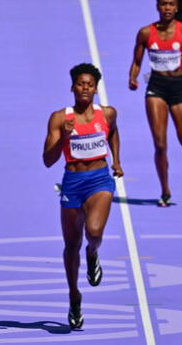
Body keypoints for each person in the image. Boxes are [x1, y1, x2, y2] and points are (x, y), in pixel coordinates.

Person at [43, 63, 123, 329]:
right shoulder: (59, 118)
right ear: (73, 87)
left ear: (96, 88)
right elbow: (47, 160)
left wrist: (117, 161)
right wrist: (64, 136)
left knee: (95, 232)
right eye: (80, 83)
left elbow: (113, 133)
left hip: (99, 179)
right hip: (72, 182)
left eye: (90, 84)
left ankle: (93, 253)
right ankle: (74, 296)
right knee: (70, 246)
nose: (85, 88)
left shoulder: (108, 114)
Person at [129, 0, 182, 207]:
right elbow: (136, 61)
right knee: (160, 145)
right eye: (163, 4)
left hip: (179, 89)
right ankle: (165, 190)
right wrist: (133, 77)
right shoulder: (145, 33)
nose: (167, 8)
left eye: (171, 4)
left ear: (177, 7)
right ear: (157, 6)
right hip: (156, 88)